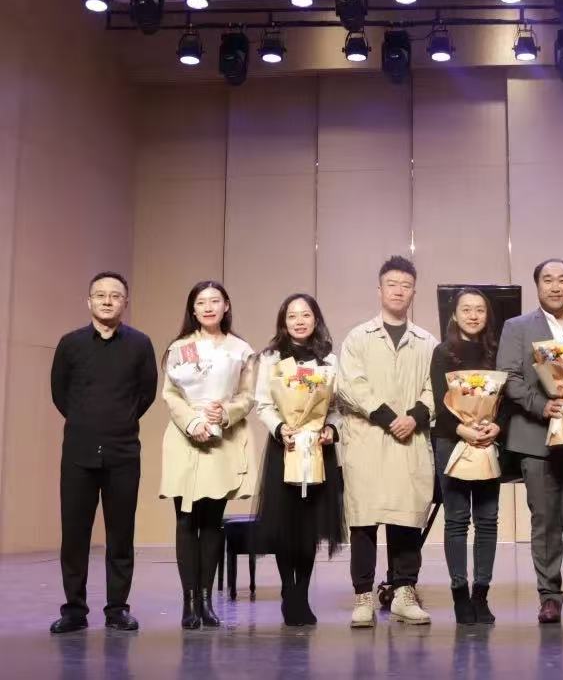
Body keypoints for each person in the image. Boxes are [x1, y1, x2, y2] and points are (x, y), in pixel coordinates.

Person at [496, 258, 563, 624]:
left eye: (562, 280)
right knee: (544, 522)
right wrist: (541, 405)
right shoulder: (516, 327)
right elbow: (509, 377)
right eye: (547, 280)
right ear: (537, 286)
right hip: (536, 438)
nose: (555, 286)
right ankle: (549, 597)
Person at [49, 272, 157, 634]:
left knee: (121, 536)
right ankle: (74, 611)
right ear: (89, 301)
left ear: (125, 302)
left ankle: (117, 609)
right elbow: (60, 393)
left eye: (115, 295)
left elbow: (146, 393)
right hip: (78, 453)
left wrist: (119, 420)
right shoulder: (70, 344)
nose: (107, 301)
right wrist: (86, 421)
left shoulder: (140, 344)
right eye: (100, 295)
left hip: (123, 452)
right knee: (74, 536)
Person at [337, 255, 437, 627]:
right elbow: (351, 385)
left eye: (406, 285)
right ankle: (363, 597)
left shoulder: (427, 342)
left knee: (406, 519)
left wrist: (415, 417)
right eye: (392, 284)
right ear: (379, 290)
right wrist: (388, 418)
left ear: (414, 292)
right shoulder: (358, 338)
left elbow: (435, 388)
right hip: (368, 439)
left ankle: (403, 593)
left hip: (410, 439)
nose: (398, 291)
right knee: (364, 521)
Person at [159, 280, 256, 630]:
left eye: (215, 301)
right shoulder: (179, 348)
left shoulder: (241, 349)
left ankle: (206, 600)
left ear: (226, 305)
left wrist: (225, 412)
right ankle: (189, 603)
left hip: (221, 438)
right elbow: (171, 394)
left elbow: (247, 396)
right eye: (201, 302)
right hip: (185, 438)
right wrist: (192, 422)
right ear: (193, 309)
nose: (209, 307)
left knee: (213, 521)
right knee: (186, 520)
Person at [254, 293, 346, 626]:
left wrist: (331, 429)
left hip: (318, 449)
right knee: (285, 524)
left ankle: (302, 593)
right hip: (286, 447)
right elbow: (263, 403)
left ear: (315, 319)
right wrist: (281, 428)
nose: (299, 321)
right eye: (292, 316)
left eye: (305, 315)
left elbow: (337, 407)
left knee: (309, 526)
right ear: (284, 321)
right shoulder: (271, 358)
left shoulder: (329, 359)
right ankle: (288, 591)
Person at [430, 288, 504, 624]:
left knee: (487, 520)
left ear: (487, 316)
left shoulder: (497, 352)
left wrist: (496, 427)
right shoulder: (442, 352)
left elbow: (507, 400)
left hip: (488, 440)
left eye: (479, 310)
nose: (473, 316)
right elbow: (439, 402)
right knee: (456, 519)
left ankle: (481, 595)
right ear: (454, 315)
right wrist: (464, 430)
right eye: (466, 309)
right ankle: (459, 595)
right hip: (452, 441)